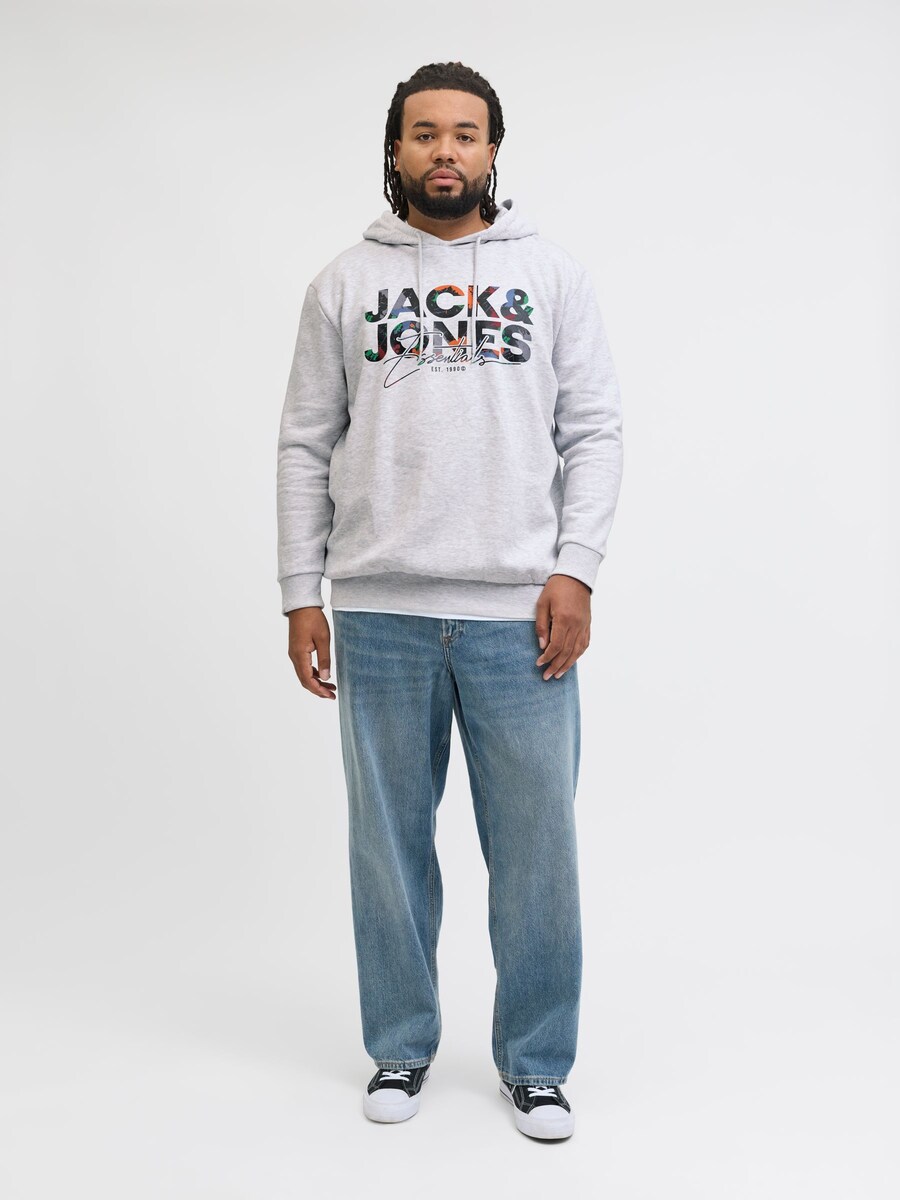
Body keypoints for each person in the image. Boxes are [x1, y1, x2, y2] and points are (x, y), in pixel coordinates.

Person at [275, 61, 624, 1141]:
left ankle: (538, 1063)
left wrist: (575, 569)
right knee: (387, 847)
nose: (445, 151)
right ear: (395, 150)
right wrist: (300, 591)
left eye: (465, 134)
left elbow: (593, 431)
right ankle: (401, 1046)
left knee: (536, 852)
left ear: (492, 151)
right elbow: (303, 444)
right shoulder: (345, 283)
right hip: (378, 610)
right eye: (424, 133)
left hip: (521, 615)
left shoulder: (551, 275)